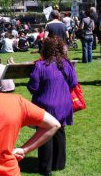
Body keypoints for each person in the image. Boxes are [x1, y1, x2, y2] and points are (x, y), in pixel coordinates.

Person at [28, 36, 77, 175]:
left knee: (44, 133)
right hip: (64, 104)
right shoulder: (67, 64)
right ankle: (59, 163)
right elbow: (73, 83)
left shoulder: (40, 66)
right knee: (60, 131)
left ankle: (45, 167)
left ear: (45, 49)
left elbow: (33, 87)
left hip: (47, 105)